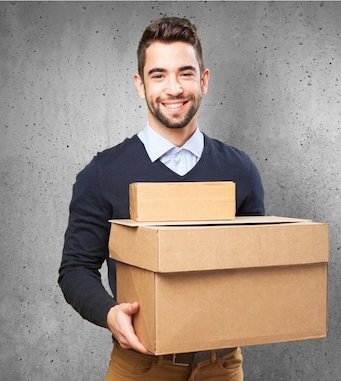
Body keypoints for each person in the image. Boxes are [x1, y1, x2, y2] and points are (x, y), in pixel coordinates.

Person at [58, 16, 264, 381]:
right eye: (158, 75)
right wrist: (110, 313)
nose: (174, 88)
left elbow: (254, 266)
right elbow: (76, 270)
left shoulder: (240, 170)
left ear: (203, 81)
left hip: (223, 366)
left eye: (186, 73)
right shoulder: (103, 173)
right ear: (140, 85)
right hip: (141, 365)